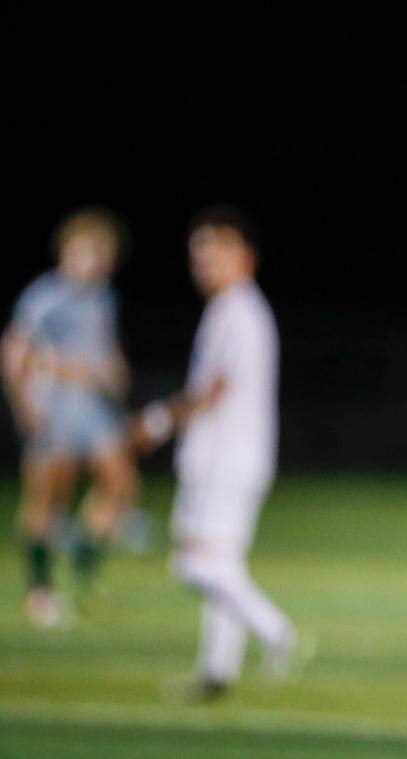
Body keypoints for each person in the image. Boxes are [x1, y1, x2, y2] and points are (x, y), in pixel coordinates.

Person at [134, 206, 296, 700]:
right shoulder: (231, 309)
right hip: (224, 455)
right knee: (220, 563)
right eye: (197, 256)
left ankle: (276, 632)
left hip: (227, 458)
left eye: (214, 254)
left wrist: (157, 421)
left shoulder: (239, 311)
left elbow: (213, 388)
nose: (203, 265)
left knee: (195, 565)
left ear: (245, 255)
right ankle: (217, 671)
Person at [2, 208, 140, 627]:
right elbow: (15, 350)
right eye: (88, 250)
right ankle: (40, 590)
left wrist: (115, 373)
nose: (96, 261)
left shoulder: (102, 297)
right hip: (54, 404)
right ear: (66, 251)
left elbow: (102, 348)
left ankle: (82, 556)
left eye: (103, 253)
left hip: (92, 406)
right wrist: (24, 405)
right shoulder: (44, 296)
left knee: (122, 483)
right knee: (48, 497)